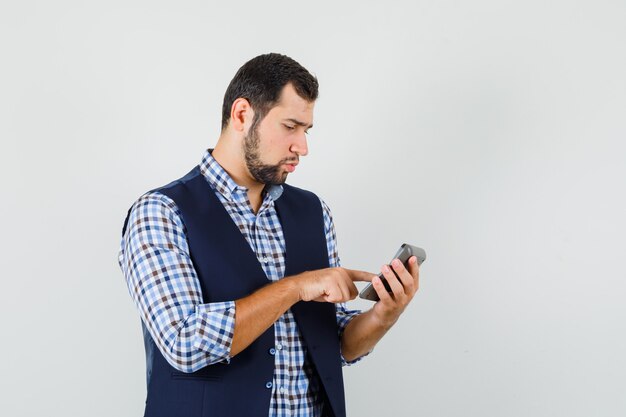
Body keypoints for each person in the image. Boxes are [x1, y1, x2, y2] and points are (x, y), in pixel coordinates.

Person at [118, 53, 420, 417]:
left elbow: (334, 343)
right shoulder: (161, 212)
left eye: (306, 130)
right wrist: (295, 287)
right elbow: (184, 342)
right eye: (290, 126)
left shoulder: (313, 211)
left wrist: (384, 314)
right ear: (242, 114)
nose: (302, 147)